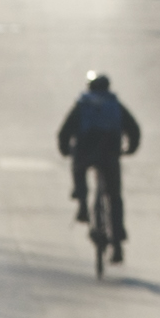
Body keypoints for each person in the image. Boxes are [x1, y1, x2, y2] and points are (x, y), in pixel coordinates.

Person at [58, 72, 143, 239]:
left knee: (78, 168)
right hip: (110, 152)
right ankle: (117, 235)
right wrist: (131, 148)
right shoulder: (115, 104)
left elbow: (64, 132)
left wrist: (65, 150)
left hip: (85, 150)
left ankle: (82, 201)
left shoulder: (83, 104)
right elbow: (134, 128)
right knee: (114, 196)